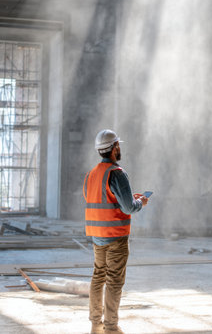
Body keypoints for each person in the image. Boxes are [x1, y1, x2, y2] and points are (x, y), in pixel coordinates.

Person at [83, 129, 148, 334]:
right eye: (118, 145)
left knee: (98, 276)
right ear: (115, 148)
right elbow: (129, 208)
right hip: (115, 237)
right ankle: (111, 327)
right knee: (114, 281)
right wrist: (140, 202)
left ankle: (95, 324)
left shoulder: (91, 174)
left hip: (96, 235)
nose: (120, 148)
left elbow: (100, 199)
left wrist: (127, 199)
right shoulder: (117, 173)